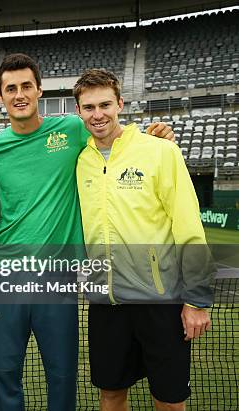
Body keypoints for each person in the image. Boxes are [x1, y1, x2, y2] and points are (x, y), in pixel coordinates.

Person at [0, 53, 175, 411]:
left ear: (39, 90)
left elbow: (114, 133)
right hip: (9, 275)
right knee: (5, 371)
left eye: (25, 86)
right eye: (10, 88)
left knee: (63, 374)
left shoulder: (71, 129)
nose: (19, 94)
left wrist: (154, 135)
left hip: (59, 276)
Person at [73, 68, 213, 411]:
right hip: (106, 303)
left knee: (168, 399)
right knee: (110, 394)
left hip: (161, 302)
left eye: (105, 104)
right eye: (89, 107)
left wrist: (197, 300)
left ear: (120, 103)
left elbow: (189, 227)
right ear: (79, 112)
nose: (98, 114)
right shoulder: (80, 160)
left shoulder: (161, 152)